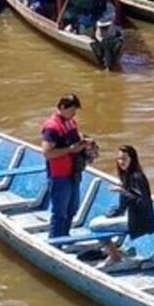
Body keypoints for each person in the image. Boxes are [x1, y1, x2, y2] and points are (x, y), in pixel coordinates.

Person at [40, 94, 95, 240]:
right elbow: (47, 152)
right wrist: (70, 150)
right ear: (62, 108)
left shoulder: (70, 122)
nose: (74, 114)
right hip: (59, 175)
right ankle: (56, 242)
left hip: (73, 172)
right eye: (72, 111)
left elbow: (76, 136)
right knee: (60, 212)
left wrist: (84, 141)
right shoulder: (52, 128)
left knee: (72, 209)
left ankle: (65, 237)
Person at [94, 145, 154, 268]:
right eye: (119, 159)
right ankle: (112, 251)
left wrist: (122, 191)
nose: (121, 162)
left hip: (140, 222)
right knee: (99, 221)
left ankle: (114, 257)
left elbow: (142, 202)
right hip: (132, 218)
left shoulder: (137, 177)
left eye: (124, 159)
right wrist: (113, 213)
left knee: (95, 226)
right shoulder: (126, 177)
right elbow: (123, 206)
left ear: (132, 159)